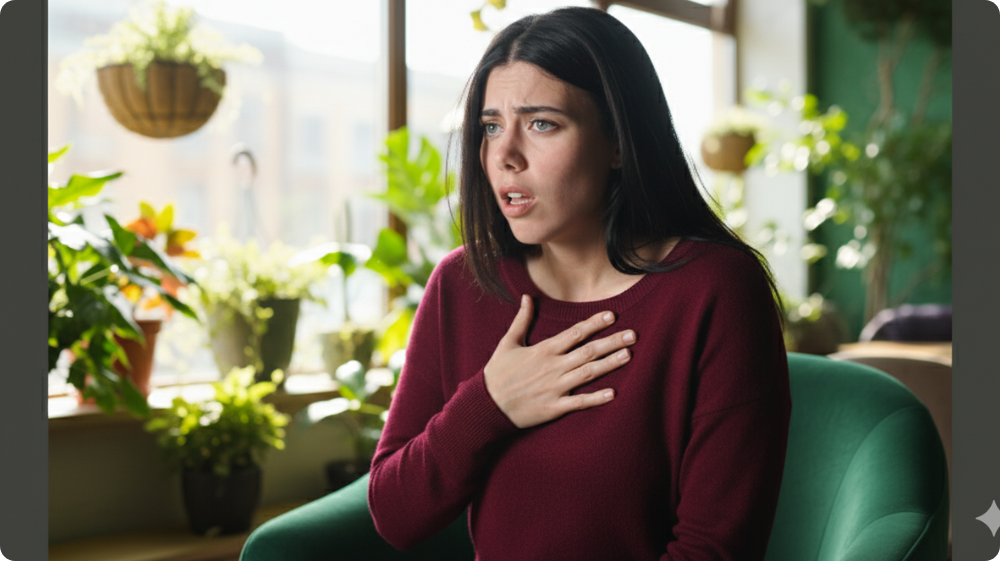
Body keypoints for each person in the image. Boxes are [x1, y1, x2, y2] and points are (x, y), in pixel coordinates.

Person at [368, 7, 791, 560]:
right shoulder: (462, 284)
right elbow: (395, 515)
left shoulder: (716, 291)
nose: (504, 156)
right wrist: (490, 402)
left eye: (542, 123)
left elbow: (714, 550)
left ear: (618, 141)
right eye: (491, 126)